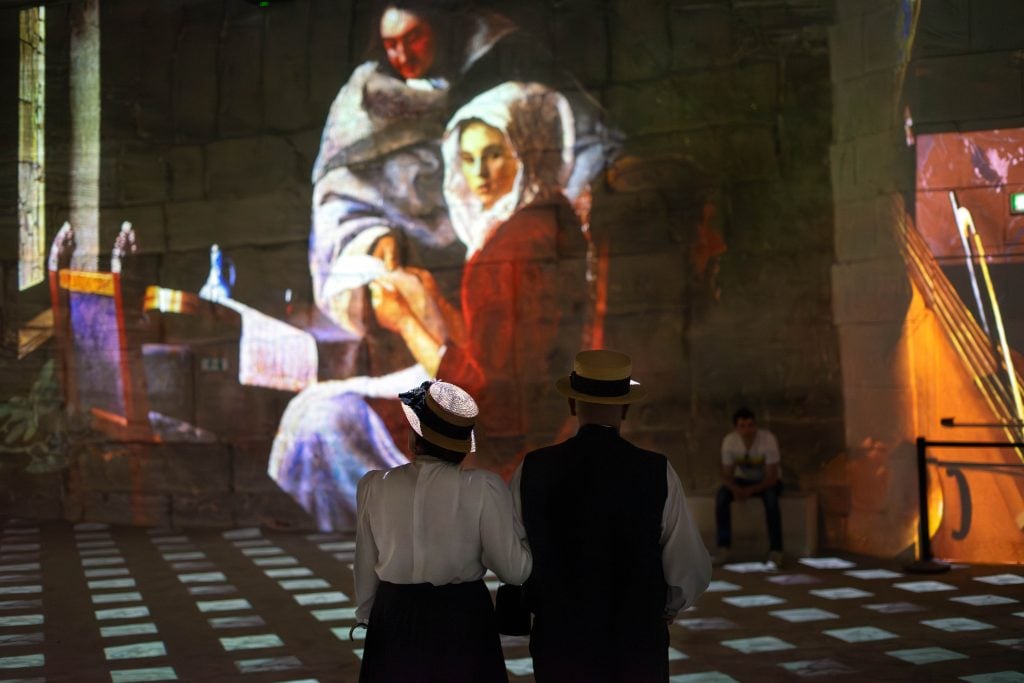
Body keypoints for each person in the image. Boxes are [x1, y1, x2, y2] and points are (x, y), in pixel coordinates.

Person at [369, 82, 588, 476]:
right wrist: (431, 302)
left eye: (493, 155)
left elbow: (486, 391)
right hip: (529, 424)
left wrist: (405, 323)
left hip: (507, 447)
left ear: (526, 153)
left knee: (331, 416)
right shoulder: (539, 220)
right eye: (467, 159)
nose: (478, 173)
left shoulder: (517, 244)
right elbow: (491, 344)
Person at [513, 349, 712, 682]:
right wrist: (668, 606)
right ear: (626, 408)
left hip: (561, 643)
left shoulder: (532, 469)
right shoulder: (656, 472)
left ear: (572, 405)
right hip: (635, 643)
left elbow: (513, 556)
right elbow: (689, 565)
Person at [354, 379, 531, 683]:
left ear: (415, 437)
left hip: (394, 615)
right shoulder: (483, 488)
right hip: (462, 619)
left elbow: (365, 565)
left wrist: (369, 616)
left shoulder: (374, 485)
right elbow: (514, 571)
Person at [714, 407, 784, 566]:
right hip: (742, 481)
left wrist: (748, 491)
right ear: (736, 428)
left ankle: (776, 550)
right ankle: (723, 547)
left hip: (766, 482)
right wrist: (736, 489)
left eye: (750, 425)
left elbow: (772, 477)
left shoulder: (767, 440)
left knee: (771, 500)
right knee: (722, 497)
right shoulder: (730, 441)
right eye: (742, 426)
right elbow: (726, 474)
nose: (747, 430)